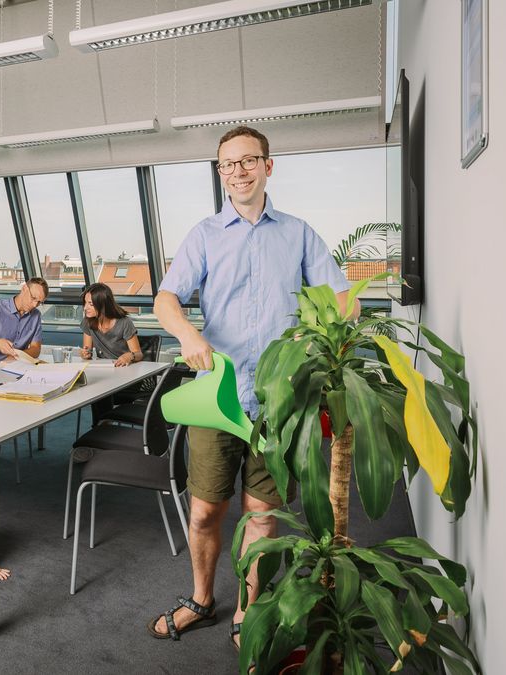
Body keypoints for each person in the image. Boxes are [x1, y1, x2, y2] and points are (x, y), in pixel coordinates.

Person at [148, 126, 359, 646]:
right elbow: (165, 300)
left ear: (268, 166)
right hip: (216, 400)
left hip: (278, 402)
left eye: (248, 160)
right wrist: (188, 333)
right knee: (203, 512)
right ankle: (201, 599)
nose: (238, 171)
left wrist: (328, 329)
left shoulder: (298, 233)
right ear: (219, 173)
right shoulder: (204, 235)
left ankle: (246, 610)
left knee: (260, 517)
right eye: (227, 164)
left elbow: (345, 299)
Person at [78, 282, 144, 426]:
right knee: (93, 384)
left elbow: (138, 354)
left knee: (98, 388)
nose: (85, 307)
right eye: (85, 303)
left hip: (126, 376)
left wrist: (129, 356)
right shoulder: (88, 322)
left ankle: (101, 426)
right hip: (106, 372)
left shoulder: (124, 323)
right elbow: (87, 349)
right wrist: (85, 353)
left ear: (102, 304)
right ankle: (102, 425)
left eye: (90, 304)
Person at [0, 278, 48, 371]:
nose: (34, 305)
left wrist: (16, 357)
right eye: (33, 298)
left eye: (39, 302)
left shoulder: (36, 315)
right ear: (24, 288)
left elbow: (36, 349)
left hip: (13, 369)